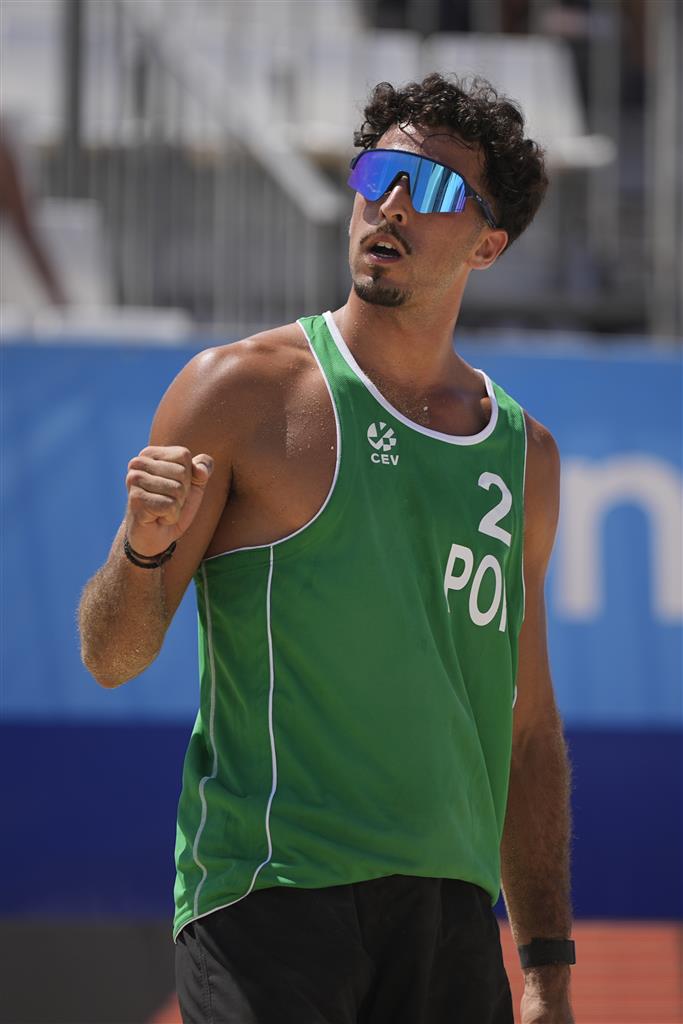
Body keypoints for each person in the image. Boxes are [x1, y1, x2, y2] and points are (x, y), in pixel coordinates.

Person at [79, 73, 574, 1024]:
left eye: (431, 188)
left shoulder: (524, 456)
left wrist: (546, 967)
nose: (390, 204)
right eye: (377, 174)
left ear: (488, 244)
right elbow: (113, 657)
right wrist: (139, 552)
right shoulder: (239, 391)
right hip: (270, 893)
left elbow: (527, 732)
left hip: (449, 917)